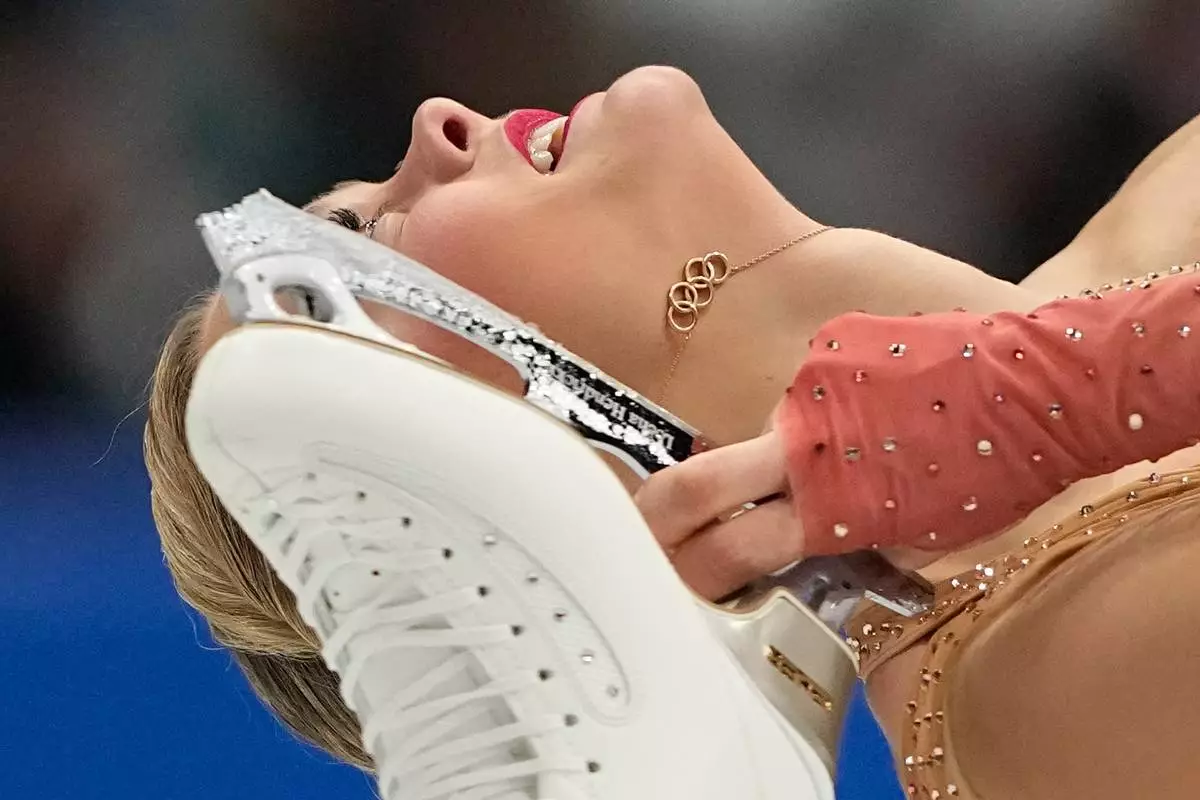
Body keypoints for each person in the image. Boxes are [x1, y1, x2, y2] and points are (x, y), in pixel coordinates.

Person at [146, 66, 1200, 796]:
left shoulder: (1150, 221)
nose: (435, 125)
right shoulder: (1035, 695)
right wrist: (1069, 385)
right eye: (362, 246)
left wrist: (1057, 383)